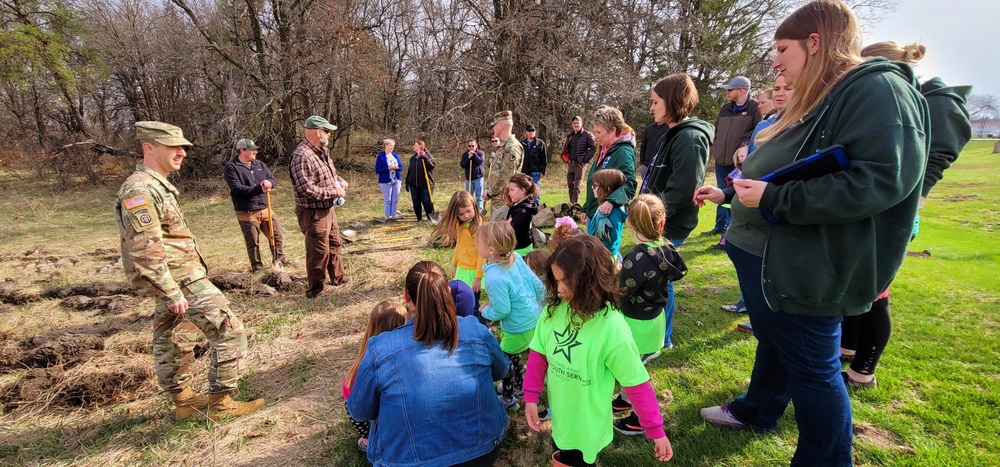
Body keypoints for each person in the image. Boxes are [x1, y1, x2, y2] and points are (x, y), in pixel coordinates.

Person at [693, 1, 929, 464]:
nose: (776, 61)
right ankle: (759, 409)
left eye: (783, 49)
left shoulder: (877, 90)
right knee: (781, 345)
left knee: (816, 372)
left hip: (807, 267)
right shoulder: (831, 93)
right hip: (773, 258)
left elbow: (879, 181)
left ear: (815, 43)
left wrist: (777, 199)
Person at [838, 40, 972, 388]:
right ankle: (849, 346)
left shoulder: (932, 102)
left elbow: (939, 152)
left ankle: (863, 372)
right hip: (875, 208)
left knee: (876, 292)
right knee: (856, 283)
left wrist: (920, 193)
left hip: (896, 213)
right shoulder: (892, 101)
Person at [116, 121, 264, 421]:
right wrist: (169, 291)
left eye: (184, 147)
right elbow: (145, 248)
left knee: (172, 337)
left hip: (177, 278)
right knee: (229, 329)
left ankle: (183, 401)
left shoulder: (156, 185)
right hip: (180, 280)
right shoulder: (140, 189)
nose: (182, 152)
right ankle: (221, 403)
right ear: (149, 147)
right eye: (174, 147)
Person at [524, 235, 672, 466]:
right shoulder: (554, 311)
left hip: (588, 426)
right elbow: (538, 354)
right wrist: (531, 396)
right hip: (561, 417)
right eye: (556, 281)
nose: (560, 289)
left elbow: (635, 382)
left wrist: (655, 429)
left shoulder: (613, 328)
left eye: (566, 282)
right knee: (562, 452)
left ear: (590, 282)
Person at [346, 261, 509, 466]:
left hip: (409, 461)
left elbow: (359, 411)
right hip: (484, 450)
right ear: (447, 291)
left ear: (407, 297)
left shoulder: (380, 348)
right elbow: (502, 369)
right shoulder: (475, 329)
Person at [640, 73, 713, 347]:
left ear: (671, 102)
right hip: (655, 220)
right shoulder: (671, 134)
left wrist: (648, 216)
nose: (651, 108)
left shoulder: (690, 138)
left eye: (655, 102)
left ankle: (662, 339)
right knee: (656, 278)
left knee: (659, 280)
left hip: (667, 223)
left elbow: (682, 189)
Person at [612, 194, 688, 433]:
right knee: (635, 363)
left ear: (630, 224)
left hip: (635, 322)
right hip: (654, 318)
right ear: (661, 223)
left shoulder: (636, 258)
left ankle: (639, 418)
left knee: (633, 371)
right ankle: (625, 399)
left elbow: (620, 293)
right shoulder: (666, 247)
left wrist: (616, 272)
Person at [724, 75, 795, 326]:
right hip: (744, 233)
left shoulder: (808, 127)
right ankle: (751, 307)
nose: (780, 93)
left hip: (774, 231)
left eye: (789, 87)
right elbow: (750, 172)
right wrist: (725, 194)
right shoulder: (764, 126)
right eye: (776, 87)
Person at [476, 221, 546, 410]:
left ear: (490, 250)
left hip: (517, 326)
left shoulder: (494, 277)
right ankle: (519, 386)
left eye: (478, 243)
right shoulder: (517, 258)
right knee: (515, 354)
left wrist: (485, 310)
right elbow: (537, 285)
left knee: (504, 362)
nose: (476, 245)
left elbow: (502, 311)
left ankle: (508, 399)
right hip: (533, 318)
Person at [290, 115, 350, 298]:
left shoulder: (321, 151)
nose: (329, 135)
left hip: (328, 208)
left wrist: (339, 181)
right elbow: (306, 188)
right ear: (318, 132)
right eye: (327, 131)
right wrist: (335, 193)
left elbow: (328, 174)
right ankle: (316, 290)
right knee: (318, 250)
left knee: (334, 244)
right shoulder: (302, 156)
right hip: (313, 212)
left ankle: (338, 277)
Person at [342, 300, 407, 452]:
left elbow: (349, 395)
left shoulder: (365, 362)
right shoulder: (408, 356)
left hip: (381, 421)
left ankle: (367, 438)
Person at [708, 75, 762, 245]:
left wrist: (745, 148)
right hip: (721, 160)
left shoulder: (755, 108)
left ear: (742, 90)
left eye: (730, 89)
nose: (727, 92)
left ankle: (729, 233)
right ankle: (719, 226)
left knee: (734, 197)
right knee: (721, 193)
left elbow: (758, 133)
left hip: (738, 163)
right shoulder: (725, 108)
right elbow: (716, 130)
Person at [223, 138, 287, 272]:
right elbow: (236, 188)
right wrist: (259, 189)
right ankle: (257, 267)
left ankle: (279, 262)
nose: (255, 152)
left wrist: (270, 183)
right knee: (253, 242)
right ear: (242, 150)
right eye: (252, 150)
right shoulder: (231, 167)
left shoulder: (259, 164)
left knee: (276, 236)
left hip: (265, 208)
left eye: (255, 150)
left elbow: (272, 179)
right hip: (247, 212)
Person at [580, 106, 637, 234]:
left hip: (607, 216)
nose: (595, 137)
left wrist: (611, 201)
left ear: (613, 130)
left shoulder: (623, 152)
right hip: (595, 213)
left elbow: (630, 184)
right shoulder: (603, 149)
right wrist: (587, 208)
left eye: (599, 132)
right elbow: (596, 184)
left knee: (606, 252)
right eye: (595, 132)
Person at [432, 191, 486, 297]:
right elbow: (459, 245)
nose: (466, 216)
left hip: (473, 272)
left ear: (474, 206)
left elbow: (482, 255)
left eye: (468, 211)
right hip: (462, 269)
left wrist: (478, 277)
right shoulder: (459, 225)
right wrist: (454, 265)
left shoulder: (479, 228)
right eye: (461, 214)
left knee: (472, 302)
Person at [486, 111, 524, 219]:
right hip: (498, 199)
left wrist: (489, 192)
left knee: (502, 233)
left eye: (495, 125)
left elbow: (506, 177)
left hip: (505, 201)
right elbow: (496, 172)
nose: (493, 128)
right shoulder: (502, 147)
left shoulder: (512, 148)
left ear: (501, 126)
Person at [586, 168, 628, 259]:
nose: (592, 188)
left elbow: (613, 238)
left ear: (608, 189)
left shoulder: (613, 212)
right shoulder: (604, 205)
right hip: (598, 252)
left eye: (595, 185)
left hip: (605, 257)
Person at [560, 116, 597, 205]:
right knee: (570, 185)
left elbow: (593, 148)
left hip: (580, 165)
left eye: (578, 122)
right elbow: (567, 149)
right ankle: (571, 204)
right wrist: (567, 159)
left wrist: (585, 160)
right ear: (572, 125)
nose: (576, 124)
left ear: (581, 124)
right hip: (571, 164)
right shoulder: (570, 136)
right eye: (574, 123)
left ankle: (574, 205)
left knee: (577, 187)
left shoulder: (587, 135)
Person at [404, 140, 439, 224]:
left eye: (415, 145)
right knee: (416, 202)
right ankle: (419, 219)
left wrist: (425, 157)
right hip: (414, 185)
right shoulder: (412, 158)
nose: (413, 146)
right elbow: (410, 171)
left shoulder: (427, 155)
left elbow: (431, 166)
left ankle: (430, 218)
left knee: (427, 202)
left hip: (425, 184)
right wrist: (407, 182)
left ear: (420, 146)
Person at [505, 173, 540, 257]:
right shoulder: (519, 205)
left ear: (522, 190)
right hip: (517, 248)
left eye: (512, 190)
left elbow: (513, 231)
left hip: (521, 251)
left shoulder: (523, 211)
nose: (509, 193)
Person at [374, 138, 403, 221]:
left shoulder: (395, 155)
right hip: (385, 181)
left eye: (393, 146)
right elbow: (377, 170)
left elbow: (401, 168)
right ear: (386, 145)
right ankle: (387, 216)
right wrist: (388, 168)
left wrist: (396, 167)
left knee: (395, 199)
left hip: (396, 180)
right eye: (390, 145)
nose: (392, 147)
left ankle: (393, 216)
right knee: (388, 199)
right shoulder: (381, 156)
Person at [521, 123, 548, 189]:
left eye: (533, 130)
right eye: (529, 131)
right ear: (526, 132)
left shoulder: (540, 143)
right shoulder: (522, 144)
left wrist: (543, 171)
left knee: (535, 193)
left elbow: (544, 158)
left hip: (535, 172)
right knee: (525, 192)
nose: (531, 132)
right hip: (524, 172)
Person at [461, 139, 486, 210]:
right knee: (468, 197)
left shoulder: (480, 153)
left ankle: (479, 211)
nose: (471, 147)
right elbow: (463, 165)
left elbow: (480, 161)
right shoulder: (465, 154)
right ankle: (470, 209)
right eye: (469, 146)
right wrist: (469, 157)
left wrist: (474, 155)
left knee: (479, 196)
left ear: (476, 146)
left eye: (473, 146)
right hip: (469, 179)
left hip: (478, 178)